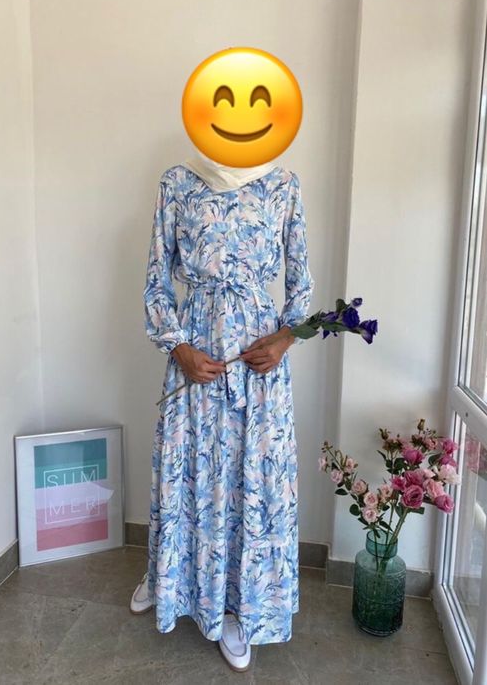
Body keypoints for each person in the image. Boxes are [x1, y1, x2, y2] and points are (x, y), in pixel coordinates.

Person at [131, 149, 315, 672]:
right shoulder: (177, 182)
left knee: (248, 478)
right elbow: (156, 279)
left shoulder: (283, 184)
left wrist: (284, 339)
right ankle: (168, 577)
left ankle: (240, 608)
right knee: (189, 467)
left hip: (257, 358)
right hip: (196, 347)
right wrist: (178, 347)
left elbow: (301, 283)